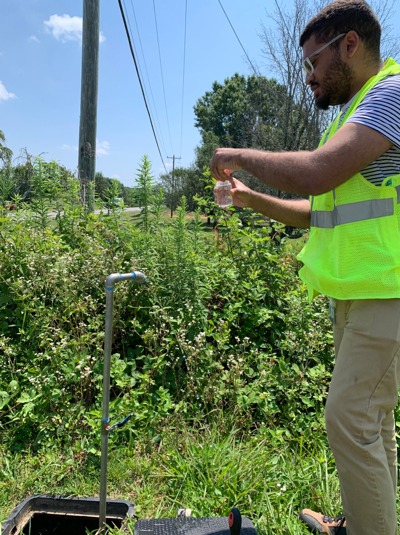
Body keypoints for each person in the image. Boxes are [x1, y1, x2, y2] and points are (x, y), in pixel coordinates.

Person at [209, 1, 400, 534]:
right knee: (372, 423)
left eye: (312, 62)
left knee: (349, 420)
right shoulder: (353, 112)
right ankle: (363, 522)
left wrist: (241, 154)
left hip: (388, 294)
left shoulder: (391, 95)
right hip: (359, 293)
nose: (309, 77)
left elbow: (316, 174)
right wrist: (250, 200)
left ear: (349, 45)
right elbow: (319, 210)